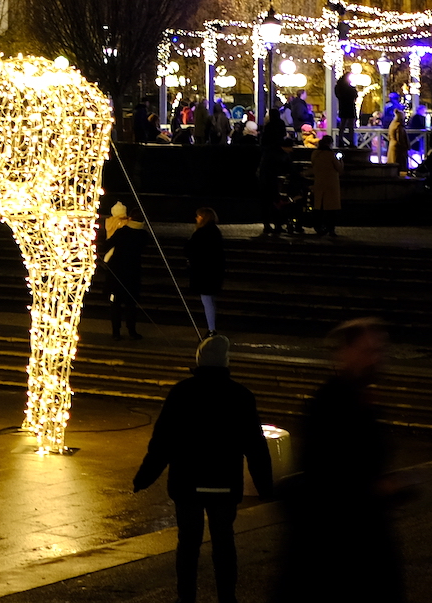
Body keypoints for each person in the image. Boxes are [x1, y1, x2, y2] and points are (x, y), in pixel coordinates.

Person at [134, 335, 273, 603]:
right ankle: (226, 597)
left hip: (187, 483)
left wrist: (144, 477)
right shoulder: (241, 396)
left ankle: (186, 597)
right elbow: (256, 446)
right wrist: (265, 486)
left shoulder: (181, 393)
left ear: (198, 360)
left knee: (188, 543)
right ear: (226, 362)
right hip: (224, 482)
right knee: (224, 541)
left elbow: (162, 442)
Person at [277, 319, 407, 602]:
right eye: (368, 350)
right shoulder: (331, 402)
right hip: (338, 540)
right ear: (346, 352)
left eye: (379, 351)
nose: (376, 359)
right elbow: (324, 472)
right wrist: (375, 488)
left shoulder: (358, 397)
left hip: (355, 533)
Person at [101, 201, 147, 339]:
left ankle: (116, 332)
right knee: (131, 303)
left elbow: (107, 244)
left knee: (116, 303)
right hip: (133, 272)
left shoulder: (122, 232)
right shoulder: (143, 235)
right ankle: (132, 330)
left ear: (130, 218)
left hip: (117, 271)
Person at [185, 207, 225, 334]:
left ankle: (211, 329)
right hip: (214, 272)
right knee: (210, 301)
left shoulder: (201, 233)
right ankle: (211, 326)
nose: (196, 218)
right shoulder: (215, 232)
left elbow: (190, 249)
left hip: (204, 273)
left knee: (207, 301)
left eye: (198, 216)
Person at [310, 136, 344, 237]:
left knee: (319, 207)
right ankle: (331, 229)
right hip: (331, 184)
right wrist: (341, 160)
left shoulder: (315, 154)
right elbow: (339, 169)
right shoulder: (331, 155)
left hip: (319, 182)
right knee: (331, 209)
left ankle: (318, 227)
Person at [335, 73, 359, 148]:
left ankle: (340, 140)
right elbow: (355, 96)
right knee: (351, 126)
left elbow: (338, 95)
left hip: (343, 107)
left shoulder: (338, 87)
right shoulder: (350, 89)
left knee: (342, 125)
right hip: (350, 107)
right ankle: (351, 142)